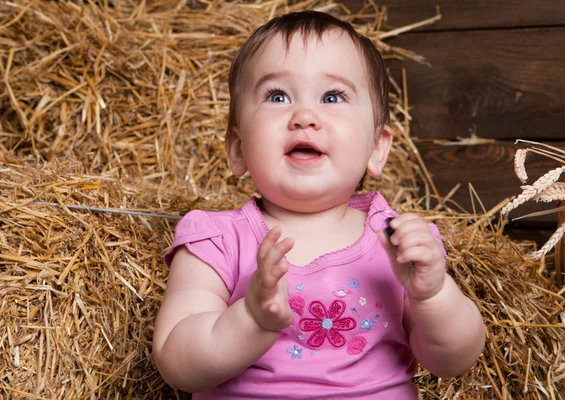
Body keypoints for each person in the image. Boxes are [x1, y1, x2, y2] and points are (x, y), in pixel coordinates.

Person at [152, 10, 486, 399]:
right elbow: (177, 364)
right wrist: (251, 319)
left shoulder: (399, 242)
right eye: (277, 96)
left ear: (377, 148)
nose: (305, 117)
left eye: (333, 96)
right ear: (239, 149)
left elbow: (452, 361)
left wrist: (433, 294)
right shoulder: (217, 241)